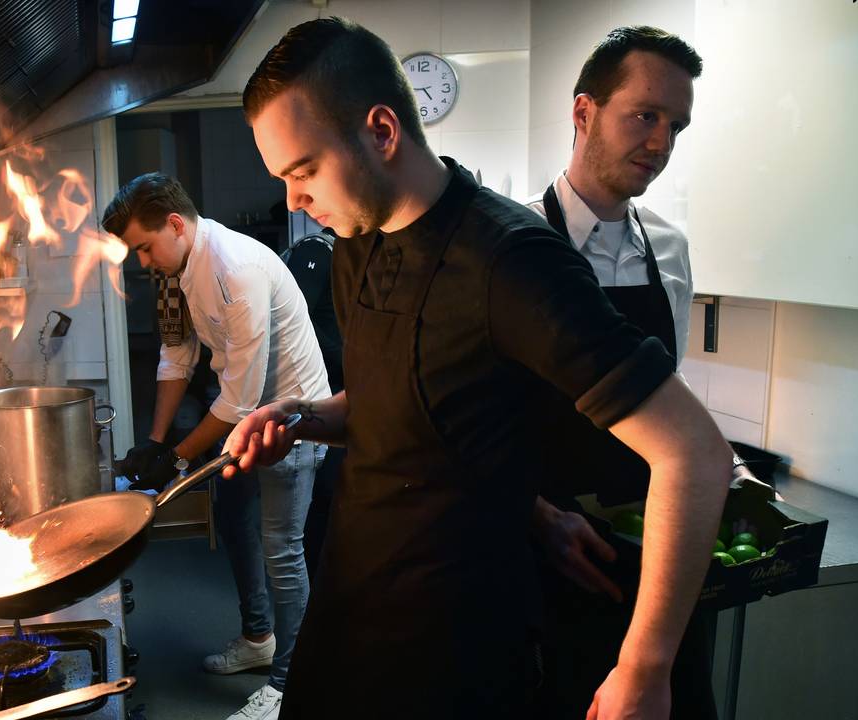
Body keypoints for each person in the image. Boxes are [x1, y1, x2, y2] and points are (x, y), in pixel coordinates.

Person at [223, 17, 733, 718]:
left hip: (453, 655)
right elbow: (390, 406)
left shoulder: (514, 261)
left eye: (303, 170)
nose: (293, 199)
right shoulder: (357, 244)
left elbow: (694, 453)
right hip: (347, 619)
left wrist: (643, 669)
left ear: (381, 131)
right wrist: (304, 417)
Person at [521, 26, 722, 720]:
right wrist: (533, 515)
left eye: (676, 126)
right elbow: (473, 423)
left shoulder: (669, 247)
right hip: (548, 564)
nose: (662, 145)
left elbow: (669, 395)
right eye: (645, 115)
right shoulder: (515, 245)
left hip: (650, 556)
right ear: (584, 113)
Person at [104, 173, 330, 720]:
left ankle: (287, 685)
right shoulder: (179, 269)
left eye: (143, 246)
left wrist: (177, 456)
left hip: (291, 422)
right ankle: (259, 640)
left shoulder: (235, 269)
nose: (141, 260)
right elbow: (176, 357)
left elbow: (240, 401)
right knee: (232, 522)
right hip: (245, 414)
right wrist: (155, 443)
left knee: (281, 548)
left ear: (175, 225)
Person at [279, 229, 344, 579]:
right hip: (324, 389)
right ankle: (320, 586)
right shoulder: (318, 251)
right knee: (326, 497)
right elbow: (297, 323)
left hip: (335, 388)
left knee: (330, 497)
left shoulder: (335, 255)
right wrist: (352, 361)